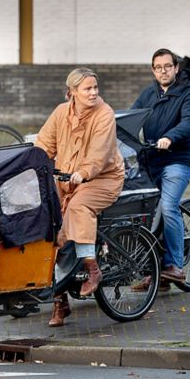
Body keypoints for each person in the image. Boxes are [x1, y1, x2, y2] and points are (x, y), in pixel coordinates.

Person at [35, 68, 125, 325]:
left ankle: (92, 269)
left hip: (102, 179)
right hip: (67, 181)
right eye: (87, 89)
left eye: (95, 88)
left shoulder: (104, 114)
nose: (94, 93)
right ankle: (59, 300)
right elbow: (44, 143)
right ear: (72, 92)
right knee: (50, 226)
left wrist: (83, 172)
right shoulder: (61, 112)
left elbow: (100, 153)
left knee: (78, 207)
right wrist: (33, 164)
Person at [130, 49, 190, 287]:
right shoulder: (148, 93)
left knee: (169, 206)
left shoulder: (189, 93)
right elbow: (131, 118)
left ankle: (175, 266)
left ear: (176, 68)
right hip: (151, 160)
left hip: (178, 159)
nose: (163, 71)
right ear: (153, 70)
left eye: (167, 66)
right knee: (142, 210)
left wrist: (170, 137)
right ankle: (155, 270)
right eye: (158, 67)